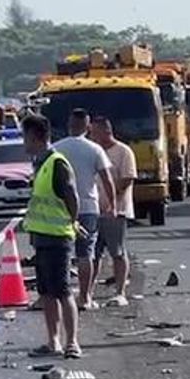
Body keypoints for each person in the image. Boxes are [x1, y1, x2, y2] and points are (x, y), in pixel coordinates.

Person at [21, 113, 84, 358]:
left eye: (25, 137)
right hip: (41, 238)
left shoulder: (57, 163)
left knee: (63, 290)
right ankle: (53, 341)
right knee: (46, 292)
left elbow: (71, 196)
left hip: (58, 238)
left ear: (35, 137)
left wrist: (73, 221)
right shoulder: (40, 164)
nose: (24, 142)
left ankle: (72, 343)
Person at [51, 108, 114, 310]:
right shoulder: (95, 150)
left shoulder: (56, 149)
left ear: (69, 125)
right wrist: (112, 204)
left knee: (61, 253)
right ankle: (85, 297)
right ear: (88, 127)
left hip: (60, 208)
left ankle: (58, 296)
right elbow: (107, 180)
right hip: (88, 207)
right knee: (85, 253)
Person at [88, 116, 136, 306]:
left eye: (94, 132)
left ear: (106, 131)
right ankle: (88, 292)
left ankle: (120, 291)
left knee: (117, 252)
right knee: (93, 253)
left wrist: (110, 199)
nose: (92, 136)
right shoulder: (94, 152)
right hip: (94, 211)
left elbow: (127, 179)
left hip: (116, 211)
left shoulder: (123, 152)